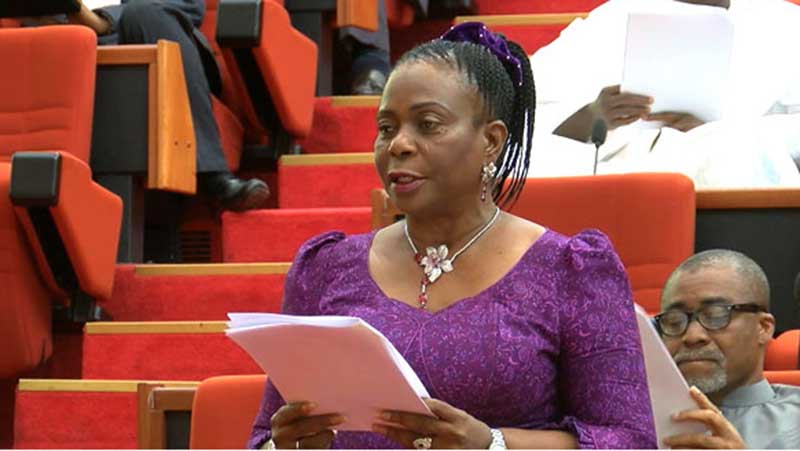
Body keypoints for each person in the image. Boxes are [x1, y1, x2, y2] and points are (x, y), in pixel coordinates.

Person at [247, 22, 656, 449]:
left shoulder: (572, 272)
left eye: (428, 124)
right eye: (386, 128)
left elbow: (629, 440)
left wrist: (492, 444)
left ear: (491, 141)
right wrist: (286, 445)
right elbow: (263, 436)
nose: (398, 145)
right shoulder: (326, 269)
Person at [529, 0, 800, 187]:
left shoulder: (784, 23)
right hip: (625, 176)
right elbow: (526, 111)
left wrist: (719, 133)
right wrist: (594, 115)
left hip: (737, 178)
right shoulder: (609, 19)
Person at [32, 0, 269, 211]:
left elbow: (186, 6)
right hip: (75, 39)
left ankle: (214, 177)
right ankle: (36, 177)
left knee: (143, 13)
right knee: (38, 29)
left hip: (161, 35)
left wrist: (98, 21)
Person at [656, 249, 800, 448]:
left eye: (716, 316)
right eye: (674, 321)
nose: (692, 336)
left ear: (763, 328)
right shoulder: (633, 421)